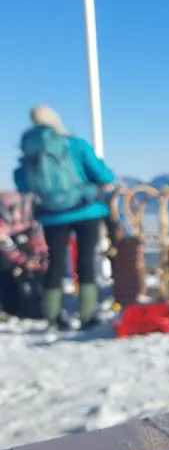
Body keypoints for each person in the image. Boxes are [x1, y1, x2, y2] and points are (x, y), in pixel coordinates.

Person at [13, 105, 115, 330]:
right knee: (86, 260)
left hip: (51, 216)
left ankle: (53, 315)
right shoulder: (74, 144)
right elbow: (104, 174)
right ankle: (86, 314)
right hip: (86, 209)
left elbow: (21, 183)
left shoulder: (31, 150)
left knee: (56, 262)